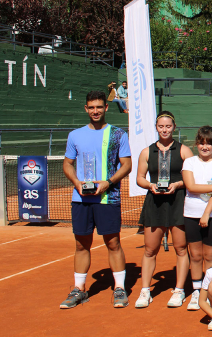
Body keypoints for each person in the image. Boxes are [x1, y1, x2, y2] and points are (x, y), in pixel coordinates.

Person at [60, 90, 132, 309]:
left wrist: (107, 183)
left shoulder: (118, 134)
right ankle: (79, 290)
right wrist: (77, 184)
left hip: (108, 198)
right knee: (81, 244)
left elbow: (127, 165)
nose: (95, 111)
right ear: (86, 109)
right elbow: (67, 164)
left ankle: (119, 288)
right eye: (91, 107)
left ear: (106, 108)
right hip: (81, 199)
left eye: (99, 107)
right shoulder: (75, 135)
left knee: (113, 243)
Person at [134, 111, 194, 308]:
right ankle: (145, 291)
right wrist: (150, 186)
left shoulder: (184, 150)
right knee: (150, 249)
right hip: (155, 203)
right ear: (156, 128)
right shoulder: (146, 152)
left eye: (168, 126)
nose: (165, 129)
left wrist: (177, 185)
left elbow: (192, 178)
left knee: (181, 248)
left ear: (174, 127)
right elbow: (140, 178)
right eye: (161, 126)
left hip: (178, 202)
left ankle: (179, 290)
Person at [181, 126, 212, 311]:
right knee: (195, 255)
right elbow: (191, 187)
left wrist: (207, 213)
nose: (205, 146)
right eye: (201, 143)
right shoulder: (190, 163)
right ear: (196, 144)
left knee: (209, 255)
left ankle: (208, 290)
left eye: (208, 143)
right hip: (190, 214)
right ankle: (195, 290)